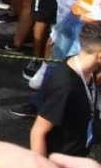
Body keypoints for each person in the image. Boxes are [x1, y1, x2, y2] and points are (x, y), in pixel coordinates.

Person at [30, 21, 101, 157]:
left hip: (78, 148)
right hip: (61, 159)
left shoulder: (84, 67)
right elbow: (38, 131)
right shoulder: (66, 87)